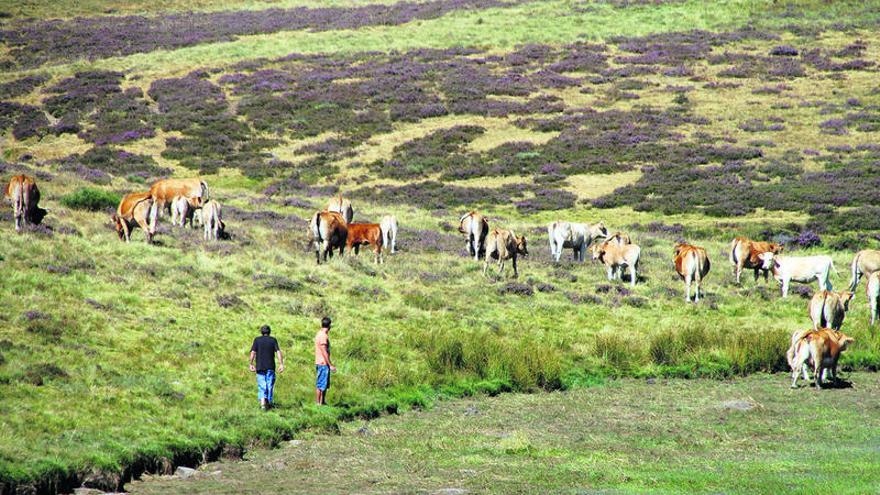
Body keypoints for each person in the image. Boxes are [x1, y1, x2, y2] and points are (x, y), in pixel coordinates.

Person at [249, 325, 283, 410]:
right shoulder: (273, 340)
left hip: (260, 366)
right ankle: (268, 403)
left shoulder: (257, 340)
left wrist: (251, 363)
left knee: (262, 385)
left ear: (261, 332)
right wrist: (281, 364)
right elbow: (278, 352)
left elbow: (253, 352)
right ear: (269, 332)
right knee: (269, 385)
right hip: (270, 366)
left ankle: (263, 404)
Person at [315, 317, 336, 405]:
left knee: (324, 384)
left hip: (320, 362)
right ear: (329, 325)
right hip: (323, 363)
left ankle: (322, 402)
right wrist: (330, 364)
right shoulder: (323, 336)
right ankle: (318, 403)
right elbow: (324, 351)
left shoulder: (319, 334)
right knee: (321, 384)